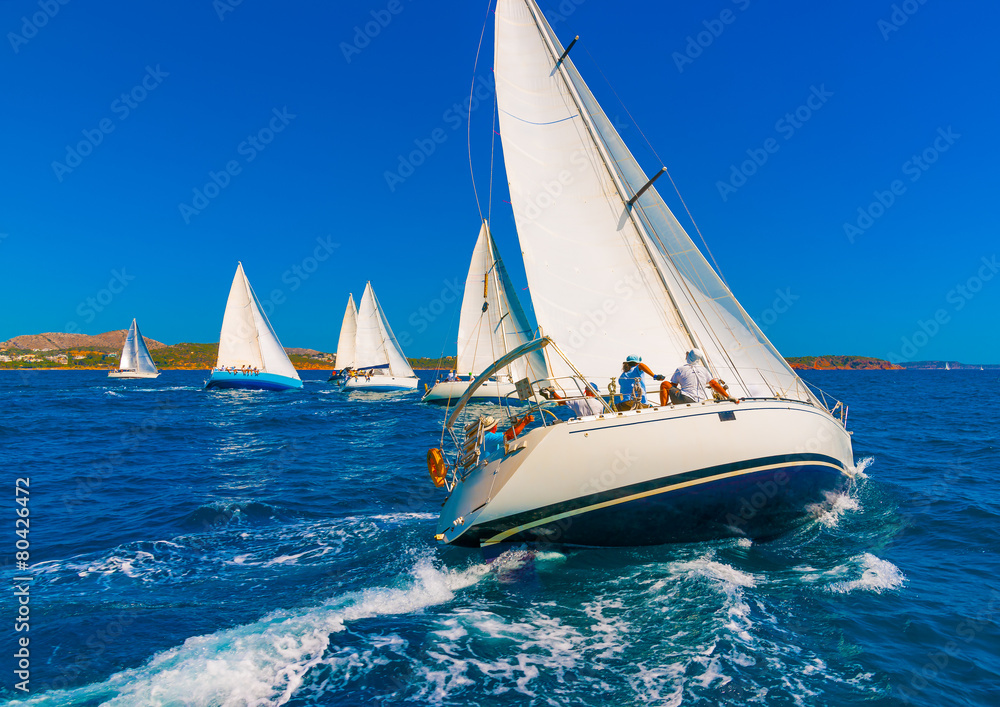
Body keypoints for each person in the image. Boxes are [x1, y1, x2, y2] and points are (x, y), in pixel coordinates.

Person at [659, 349, 737, 405]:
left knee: (665, 384)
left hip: (685, 399)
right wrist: (728, 396)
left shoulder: (680, 369)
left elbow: (673, 386)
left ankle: (663, 408)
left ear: (688, 356)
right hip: (699, 402)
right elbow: (714, 384)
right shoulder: (704, 370)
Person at [539, 385, 605, 418]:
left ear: (586, 391)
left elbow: (561, 402)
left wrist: (553, 392)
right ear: (594, 391)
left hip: (581, 424)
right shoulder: (600, 404)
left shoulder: (577, 401)